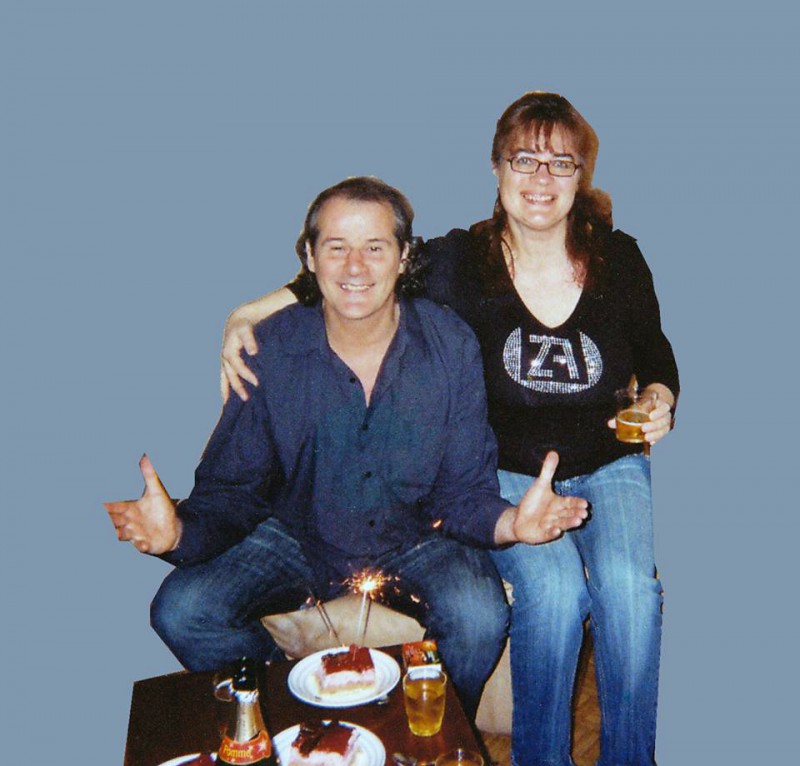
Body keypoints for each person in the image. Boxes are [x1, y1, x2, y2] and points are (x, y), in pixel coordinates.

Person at [219, 94, 679, 765]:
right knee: (554, 593)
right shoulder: (459, 259)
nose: (542, 177)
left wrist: (662, 395)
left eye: (561, 163)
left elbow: (655, 352)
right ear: (497, 168)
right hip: (509, 469)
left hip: (612, 460)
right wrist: (248, 312)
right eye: (524, 159)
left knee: (633, 593)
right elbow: (360, 275)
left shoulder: (620, 256)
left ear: (581, 176)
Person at [104, 176, 589, 721]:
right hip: (300, 534)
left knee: (479, 617)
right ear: (310, 258)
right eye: (336, 247)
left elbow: (462, 493)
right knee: (181, 610)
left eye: (375, 247)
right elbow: (233, 489)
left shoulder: (449, 344)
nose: (355, 267)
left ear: (404, 258)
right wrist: (177, 534)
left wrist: (512, 525)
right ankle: (303, 719)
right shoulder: (271, 348)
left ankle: (415, 734)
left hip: (416, 534)